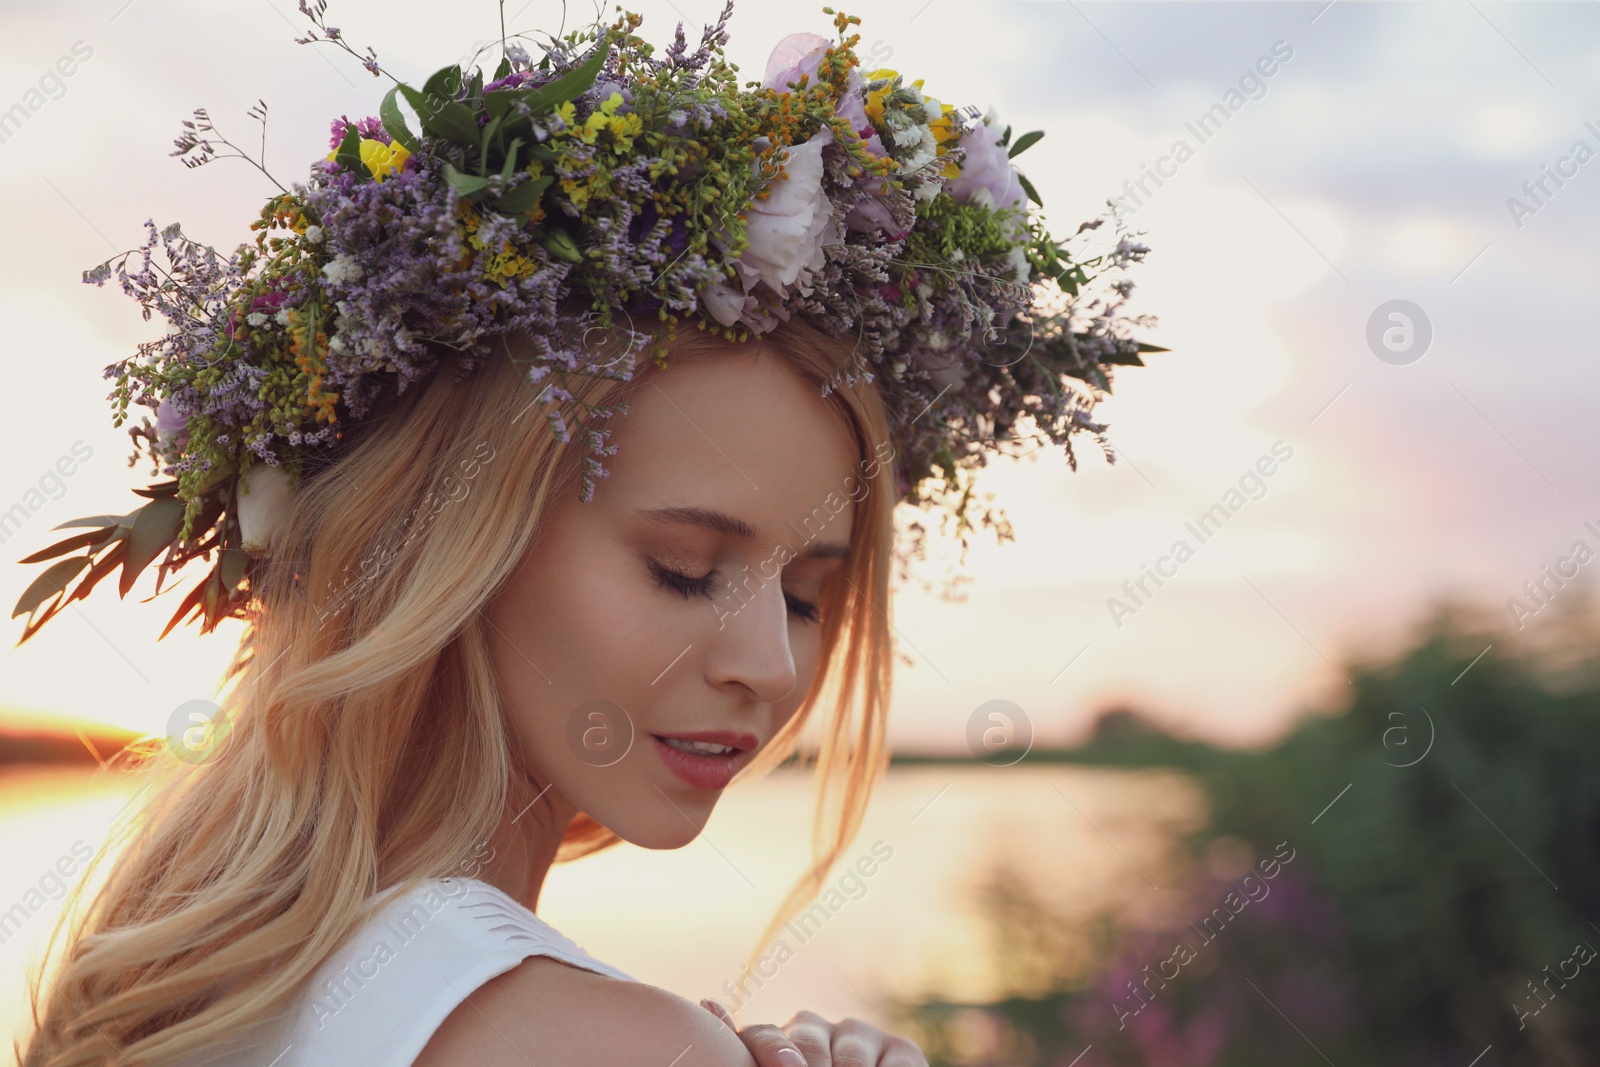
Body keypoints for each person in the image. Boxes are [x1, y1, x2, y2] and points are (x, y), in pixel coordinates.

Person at [12, 2, 1161, 1064]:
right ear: (450, 544)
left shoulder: (187, 964)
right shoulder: (602, 1040)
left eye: (809, 593)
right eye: (684, 568)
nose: (768, 663)